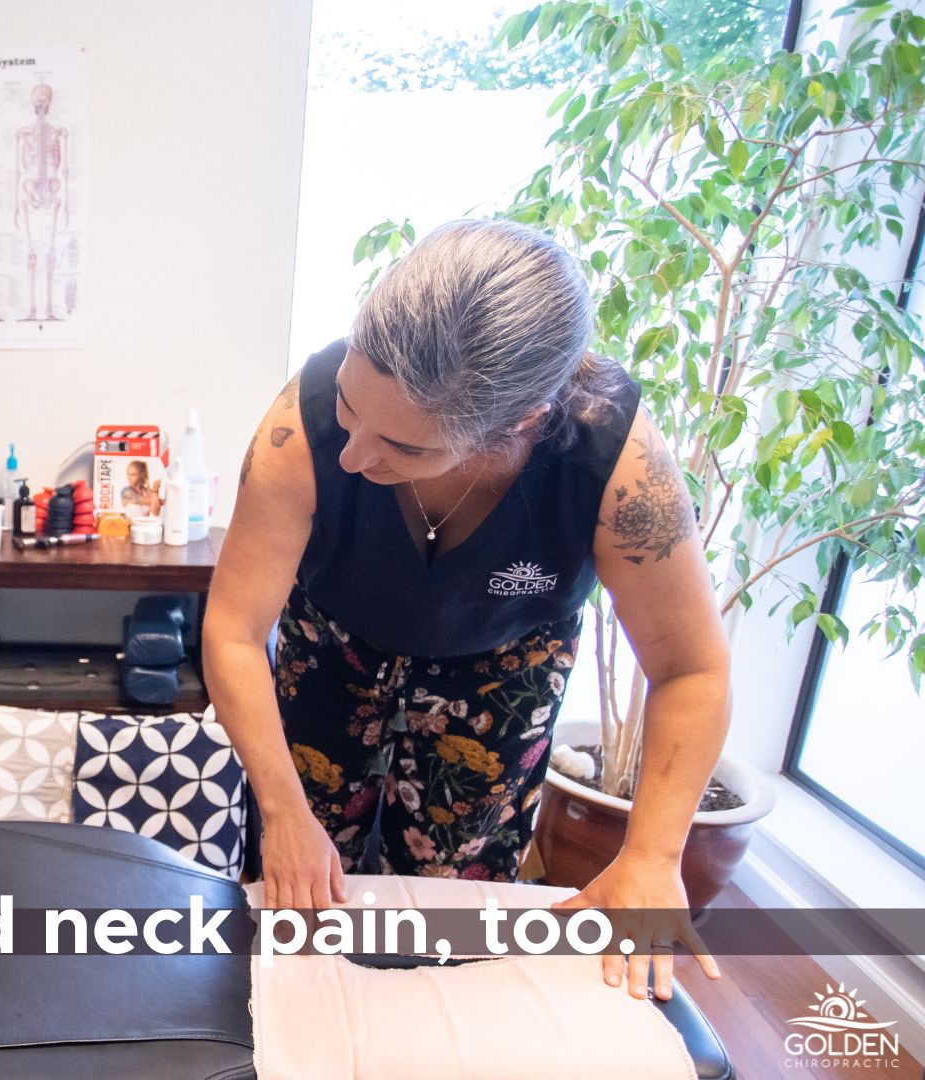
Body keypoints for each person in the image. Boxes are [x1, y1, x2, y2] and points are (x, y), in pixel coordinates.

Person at [203, 219, 729, 1001]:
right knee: (299, 884)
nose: (353, 456)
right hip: (334, 637)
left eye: (403, 448)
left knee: (456, 896)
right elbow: (235, 631)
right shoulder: (301, 427)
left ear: (517, 425)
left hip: (503, 660)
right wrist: (283, 811)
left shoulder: (614, 466)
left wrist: (652, 857)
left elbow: (691, 668)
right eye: (351, 407)